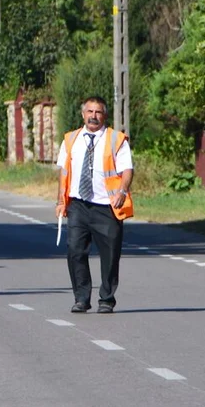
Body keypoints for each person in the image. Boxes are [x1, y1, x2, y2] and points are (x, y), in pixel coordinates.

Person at [55, 96, 134, 314]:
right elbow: (63, 172)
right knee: (75, 251)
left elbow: (127, 169)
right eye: (89, 111)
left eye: (98, 112)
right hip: (78, 204)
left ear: (104, 115)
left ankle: (106, 298)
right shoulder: (71, 139)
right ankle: (81, 298)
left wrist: (122, 191)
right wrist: (61, 201)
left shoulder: (116, 139)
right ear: (83, 114)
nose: (93, 116)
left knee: (110, 254)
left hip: (106, 206)